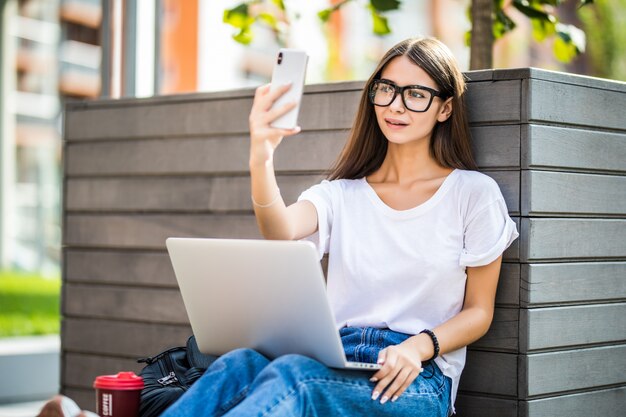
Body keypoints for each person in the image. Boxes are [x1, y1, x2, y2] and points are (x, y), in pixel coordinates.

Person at [161, 37, 518, 417]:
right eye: (387, 89)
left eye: (415, 94)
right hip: (336, 356)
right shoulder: (340, 195)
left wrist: (418, 346)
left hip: (416, 375)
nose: (395, 105)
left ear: (445, 108)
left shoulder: (473, 194)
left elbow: (479, 311)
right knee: (238, 364)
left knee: (294, 376)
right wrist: (260, 156)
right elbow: (280, 228)